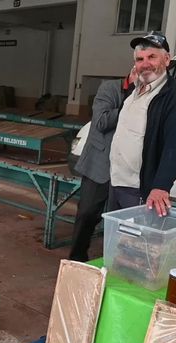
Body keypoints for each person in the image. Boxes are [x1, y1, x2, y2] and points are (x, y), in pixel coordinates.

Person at [108, 31, 176, 217]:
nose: (145, 64)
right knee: (118, 239)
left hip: (139, 188)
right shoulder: (136, 90)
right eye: (140, 59)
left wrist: (161, 186)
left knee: (137, 243)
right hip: (117, 183)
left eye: (152, 57)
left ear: (167, 59)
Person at [69, 69, 137, 262]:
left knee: (124, 221)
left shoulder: (152, 96)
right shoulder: (109, 89)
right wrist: (132, 103)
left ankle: (119, 264)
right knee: (87, 214)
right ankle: (77, 259)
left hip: (128, 168)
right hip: (100, 165)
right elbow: (101, 122)